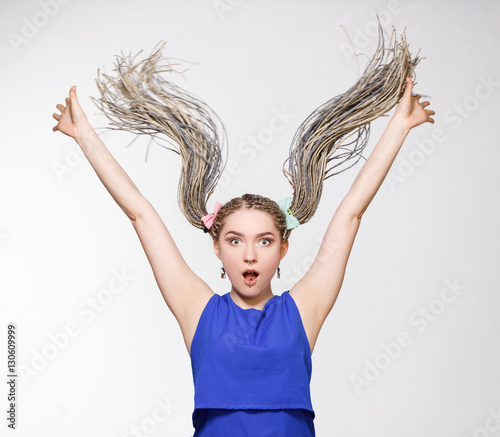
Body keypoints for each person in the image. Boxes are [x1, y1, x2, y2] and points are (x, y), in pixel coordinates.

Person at [52, 27, 434, 437]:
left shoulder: (302, 311)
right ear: (217, 247)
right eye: (235, 241)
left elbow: (351, 213)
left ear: (283, 248)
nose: (250, 254)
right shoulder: (197, 310)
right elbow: (141, 215)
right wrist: (84, 135)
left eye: (264, 241)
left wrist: (400, 125)